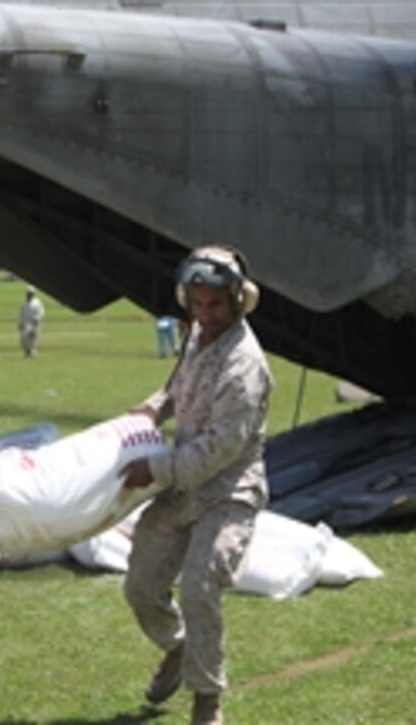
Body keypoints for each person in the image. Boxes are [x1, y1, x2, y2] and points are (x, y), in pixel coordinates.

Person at [119, 245, 272, 725]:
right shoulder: (197, 338)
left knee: (200, 585)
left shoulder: (245, 368)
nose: (205, 315)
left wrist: (154, 470)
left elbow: (216, 451)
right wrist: (151, 409)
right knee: (141, 585)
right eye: (197, 304)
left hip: (227, 491)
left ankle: (207, 700)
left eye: (215, 306)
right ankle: (180, 647)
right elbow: (175, 386)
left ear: (238, 301)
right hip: (181, 485)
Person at [18, 286, 45, 357]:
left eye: (31, 293)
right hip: (26, 323)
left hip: (34, 322)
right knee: (24, 338)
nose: (29, 294)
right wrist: (20, 323)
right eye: (28, 293)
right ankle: (27, 350)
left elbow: (41, 312)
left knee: (33, 338)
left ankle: (32, 351)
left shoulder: (37, 302)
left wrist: (38, 318)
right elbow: (21, 314)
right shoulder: (23, 303)